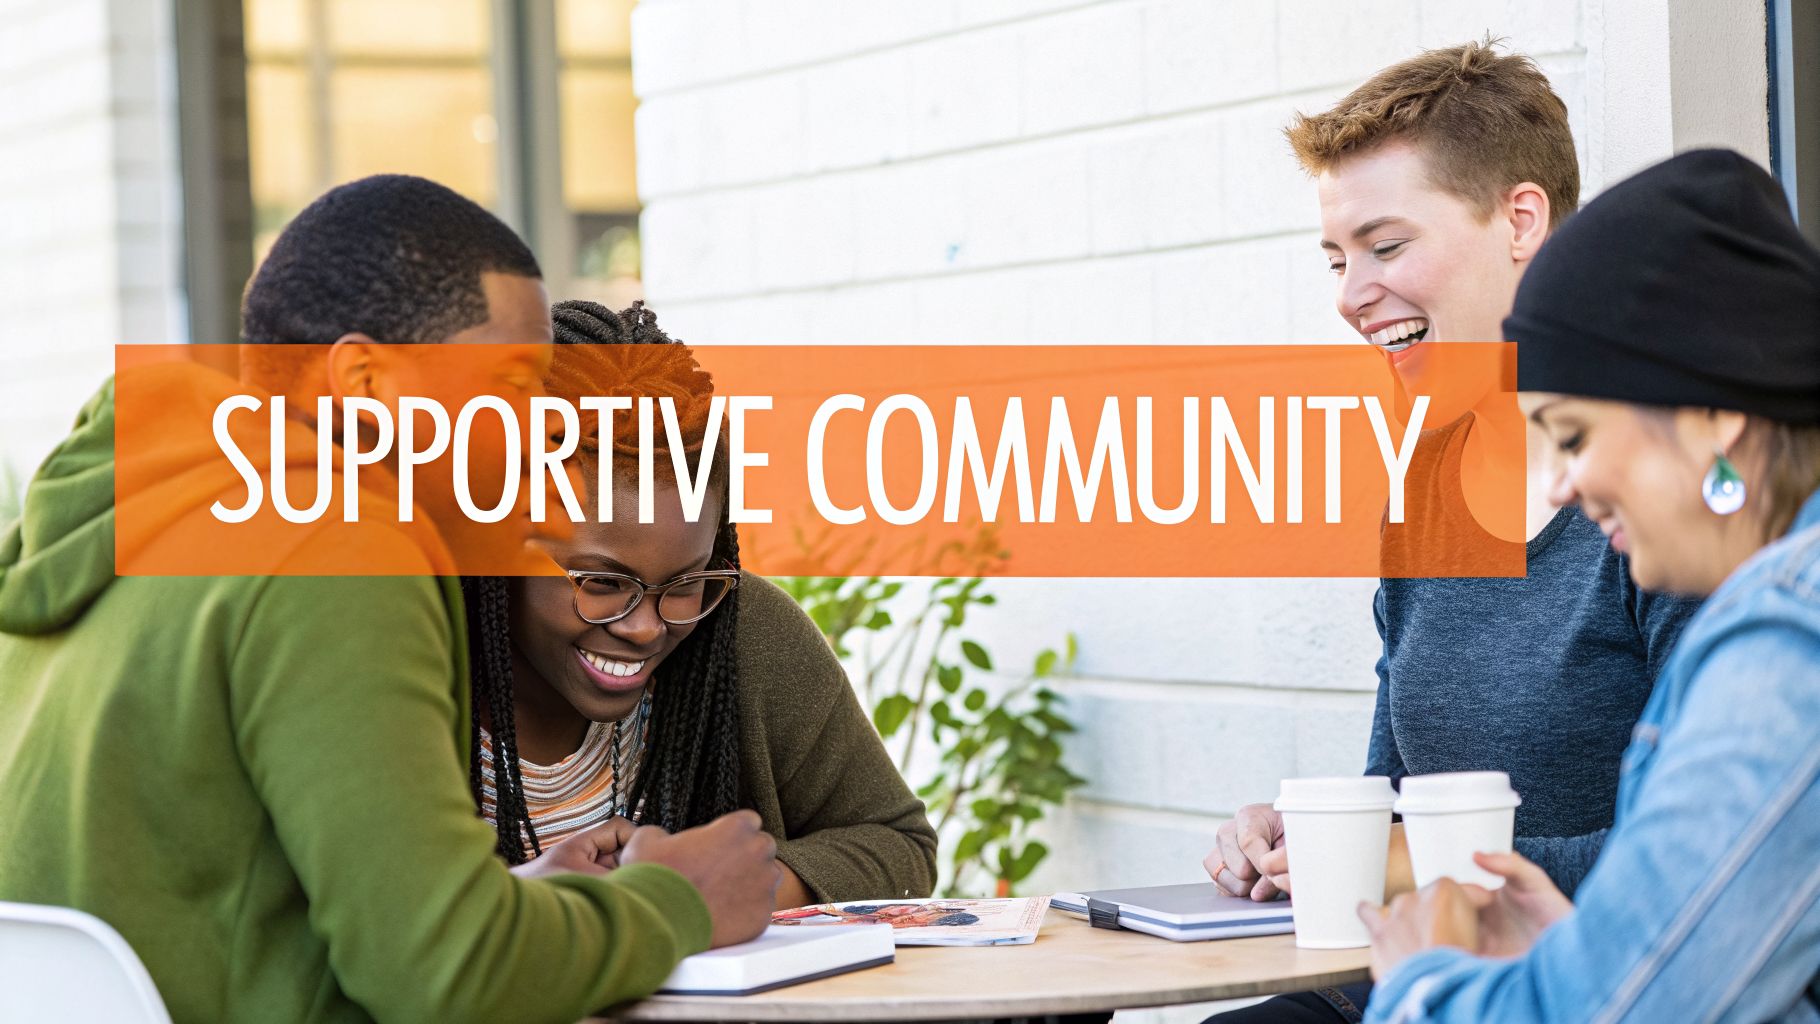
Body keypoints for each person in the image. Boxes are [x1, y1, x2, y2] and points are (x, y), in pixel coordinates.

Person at [0, 175, 779, 1024]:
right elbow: (445, 979)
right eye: (517, 389)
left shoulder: (133, 517)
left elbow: (238, 907)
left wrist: (520, 908)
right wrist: (678, 901)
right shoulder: (336, 548)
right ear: (366, 385)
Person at [1200, 43, 1699, 1023]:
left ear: (1520, 219)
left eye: (1385, 248)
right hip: (1409, 982)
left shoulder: (1664, 497)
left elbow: (1709, 849)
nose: (1349, 296)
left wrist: (1408, 861)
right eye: (1337, 260)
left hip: (1585, 989)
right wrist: (1302, 838)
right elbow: (1392, 794)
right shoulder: (1424, 485)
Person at [1358, 147, 1820, 1024]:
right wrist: (1583, 937)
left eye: (1572, 435)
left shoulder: (1789, 639)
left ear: (1713, 415)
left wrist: (1425, 983)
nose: (1562, 484)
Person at [463, 299, 938, 906]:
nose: (643, 628)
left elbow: (898, 846)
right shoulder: (405, 662)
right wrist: (526, 907)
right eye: (602, 584)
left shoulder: (744, 631)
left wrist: (738, 888)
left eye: (684, 584)